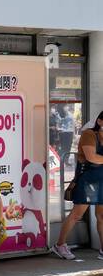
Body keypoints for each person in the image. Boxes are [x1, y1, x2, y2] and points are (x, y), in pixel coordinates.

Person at [52, 111, 103, 261]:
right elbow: (91, 157)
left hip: (101, 180)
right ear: (100, 121)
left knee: (101, 216)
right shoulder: (89, 134)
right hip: (88, 180)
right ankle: (60, 245)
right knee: (76, 214)